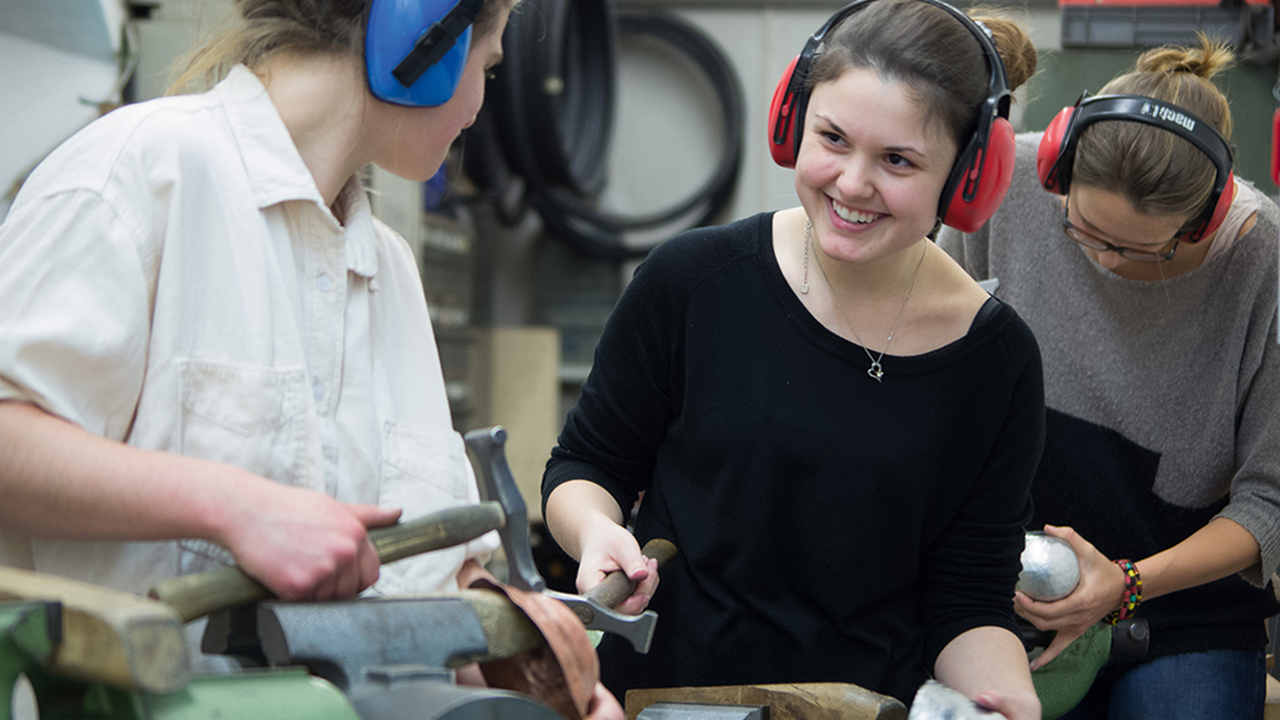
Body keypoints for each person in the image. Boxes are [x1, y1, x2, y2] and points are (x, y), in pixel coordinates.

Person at [0, 3, 624, 715]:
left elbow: (429, 586)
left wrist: (549, 688)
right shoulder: (138, 172)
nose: (479, 108)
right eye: (487, 67)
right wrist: (236, 507)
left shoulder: (389, 270)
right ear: (422, 38)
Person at [541, 0, 1045, 716]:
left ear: (968, 178)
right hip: (662, 701)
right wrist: (598, 531)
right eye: (832, 138)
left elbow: (968, 600)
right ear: (792, 121)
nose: (852, 184)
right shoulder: (692, 281)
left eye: (897, 160)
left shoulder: (996, 361)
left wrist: (1007, 699)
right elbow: (585, 466)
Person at [938, 36, 1280, 719]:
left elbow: (1268, 502)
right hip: (1000, 582)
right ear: (1057, 172)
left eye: (1136, 249)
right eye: (1084, 230)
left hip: (1180, 609)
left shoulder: (1262, 260)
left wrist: (1125, 586)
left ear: (1202, 221)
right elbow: (934, 384)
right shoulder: (1010, 188)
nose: (1104, 261)